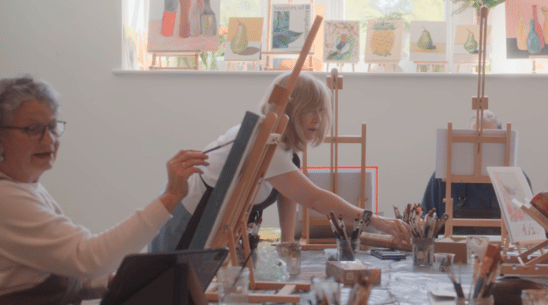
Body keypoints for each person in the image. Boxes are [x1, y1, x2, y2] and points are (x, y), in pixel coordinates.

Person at [0, 75, 209, 305]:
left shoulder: (27, 188)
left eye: (53, 127)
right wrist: (170, 198)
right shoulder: (7, 199)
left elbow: (62, 267)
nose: (49, 140)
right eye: (33, 129)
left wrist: (120, 281)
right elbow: (87, 257)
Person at [150, 72, 409, 253]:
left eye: (321, 110)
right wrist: (373, 219)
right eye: (310, 109)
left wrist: (287, 241)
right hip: (185, 226)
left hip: (201, 226)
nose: (317, 118)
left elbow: (287, 192)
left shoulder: (281, 146)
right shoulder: (262, 142)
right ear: (290, 111)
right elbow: (314, 198)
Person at [420, 110, 531, 236]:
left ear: (502, 146)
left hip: (502, 255)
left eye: (489, 142)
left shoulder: (516, 180)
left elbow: (527, 234)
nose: (480, 150)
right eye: (473, 141)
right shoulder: (442, 177)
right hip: (453, 254)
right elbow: (424, 229)